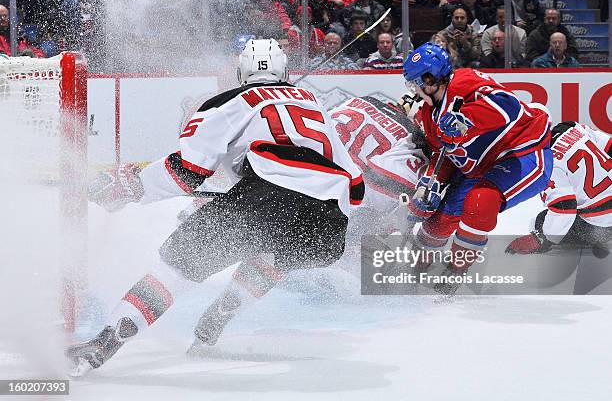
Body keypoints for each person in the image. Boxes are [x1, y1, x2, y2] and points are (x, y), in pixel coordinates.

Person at [65, 38, 365, 375]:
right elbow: (356, 186)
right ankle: (219, 317)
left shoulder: (230, 101)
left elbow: (189, 171)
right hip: (328, 229)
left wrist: (132, 187)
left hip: (266, 201)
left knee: (176, 266)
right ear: (284, 71)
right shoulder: (314, 105)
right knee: (273, 250)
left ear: (241, 73)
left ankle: (105, 343)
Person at [189, 93, 431, 350]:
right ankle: (225, 309)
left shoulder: (362, 100)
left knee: (254, 227)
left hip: (289, 165)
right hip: (326, 190)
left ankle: (202, 238)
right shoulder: (409, 152)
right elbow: (374, 196)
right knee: (283, 254)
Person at [402, 42, 553, 294]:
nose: (414, 90)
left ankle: (454, 274)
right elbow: (445, 154)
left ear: (429, 79)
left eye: (415, 82)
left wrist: (467, 120)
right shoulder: (430, 116)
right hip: (481, 167)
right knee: (438, 222)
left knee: (480, 203)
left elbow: (510, 107)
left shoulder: (465, 82)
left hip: (522, 154)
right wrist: (430, 184)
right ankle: (412, 270)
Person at [506, 121, 611, 255]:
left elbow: (564, 208)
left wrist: (542, 238)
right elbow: (609, 146)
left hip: (603, 226)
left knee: (540, 222)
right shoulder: (569, 127)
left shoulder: (545, 163)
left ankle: (596, 240)